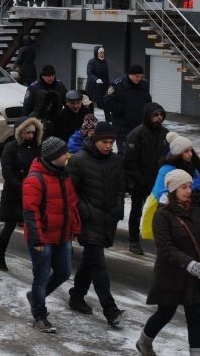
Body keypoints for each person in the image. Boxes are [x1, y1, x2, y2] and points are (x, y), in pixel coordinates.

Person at [136, 170, 200, 356]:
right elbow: (165, 247)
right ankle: (144, 342)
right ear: (173, 189)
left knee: (196, 316)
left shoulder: (195, 210)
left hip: (196, 274)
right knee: (165, 313)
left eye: (190, 186)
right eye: (183, 187)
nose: (189, 190)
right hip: (170, 274)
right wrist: (188, 263)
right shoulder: (162, 215)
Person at [67, 122, 126, 327]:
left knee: (90, 261)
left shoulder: (116, 161)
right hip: (88, 220)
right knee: (99, 265)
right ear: (95, 140)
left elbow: (120, 187)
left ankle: (76, 296)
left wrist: (118, 208)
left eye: (111, 142)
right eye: (104, 142)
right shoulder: (78, 160)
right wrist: (85, 211)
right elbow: (71, 192)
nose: (108, 146)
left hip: (108, 218)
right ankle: (110, 310)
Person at [22, 136, 80, 333]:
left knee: (63, 272)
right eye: (64, 153)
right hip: (42, 238)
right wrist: (37, 239)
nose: (67, 155)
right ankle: (39, 315)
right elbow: (31, 212)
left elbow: (72, 204)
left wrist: (74, 228)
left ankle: (36, 296)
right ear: (54, 156)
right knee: (42, 276)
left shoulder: (64, 174)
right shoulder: (35, 179)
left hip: (62, 235)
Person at [0, 117, 43, 272]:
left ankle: (38, 261)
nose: (30, 136)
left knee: (34, 228)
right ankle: (0, 255)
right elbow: (7, 172)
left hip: (33, 194)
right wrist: (22, 187)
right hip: (14, 193)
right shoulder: (10, 148)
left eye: (32, 132)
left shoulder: (38, 147)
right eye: (27, 132)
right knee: (9, 227)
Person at [123, 102, 170, 255]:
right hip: (140, 182)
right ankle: (133, 240)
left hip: (159, 183)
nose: (159, 118)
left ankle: (160, 240)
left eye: (161, 115)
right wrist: (140, 179)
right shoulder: (136, 134)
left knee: (160, 213)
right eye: (155, 115)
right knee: (137, 211)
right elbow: (129, 161)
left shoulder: (165, 134)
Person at [104, 64, 152, 153]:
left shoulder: (144, 84)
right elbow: (108, 102)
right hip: (122, 126)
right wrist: (122, 110)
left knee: (139, 152)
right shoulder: (117, 85)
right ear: (129, 74)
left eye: (140, 76)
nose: (138, 79)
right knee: (124, 152)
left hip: (139, 125)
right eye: (136, 76)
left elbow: (148, 101)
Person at [151, 135, 200, 211]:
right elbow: (160, 192)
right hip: (168, 209)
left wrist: (197, 195)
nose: (190, 154)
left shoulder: (193, 168)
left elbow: (198, 185)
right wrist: (180, 200)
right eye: (186, 151)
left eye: (191, 150)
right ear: (177, 154)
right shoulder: (166, 169)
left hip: (191, 208)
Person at [86, 46, 111, 115]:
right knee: (90, 104)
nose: (102, 54)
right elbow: (89, 73)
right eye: (100, 53)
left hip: (102, 87)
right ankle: (90, 118)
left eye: (103, 53)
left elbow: (106, 75)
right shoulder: (91, 62)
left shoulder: (105, 62)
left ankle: (109, 120)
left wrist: (109, 85)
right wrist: (96, 79)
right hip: (93, 86)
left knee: (105, 102)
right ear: (96, 53)